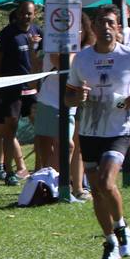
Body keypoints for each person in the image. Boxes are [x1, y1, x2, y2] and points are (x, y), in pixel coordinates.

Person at [66, 5, 130, 259]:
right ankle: (110, 244)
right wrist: (77, 97)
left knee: (107, 182)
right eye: (101, 23)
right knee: (96, 190)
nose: (106, 28)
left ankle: (122, 230)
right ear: (92, 28)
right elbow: (68, 96)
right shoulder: (82, 60)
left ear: (118, 28)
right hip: (90, 129)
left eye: (111, 23)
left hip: (120, 128)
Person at [36, 12, 95, 198]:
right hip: (53, 102)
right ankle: (54, 186)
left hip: (79, 104)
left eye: (78, 29)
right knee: (63, 145)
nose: (75, 33)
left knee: (77, 145)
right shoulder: (57, 48)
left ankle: (77, 187)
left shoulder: (87, 51)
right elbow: (62, 63)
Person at [0, 0, 41, 185]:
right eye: (22, 13)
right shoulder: (6, 34)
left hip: (33, 89)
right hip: (11, 90)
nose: (25, 16)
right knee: (9, 129)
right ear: (17, 13)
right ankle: (10, 171)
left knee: (41, 129)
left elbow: (44, 58)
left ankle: (40, 169)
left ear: (34, 14)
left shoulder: (38, 32)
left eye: (29, 13)